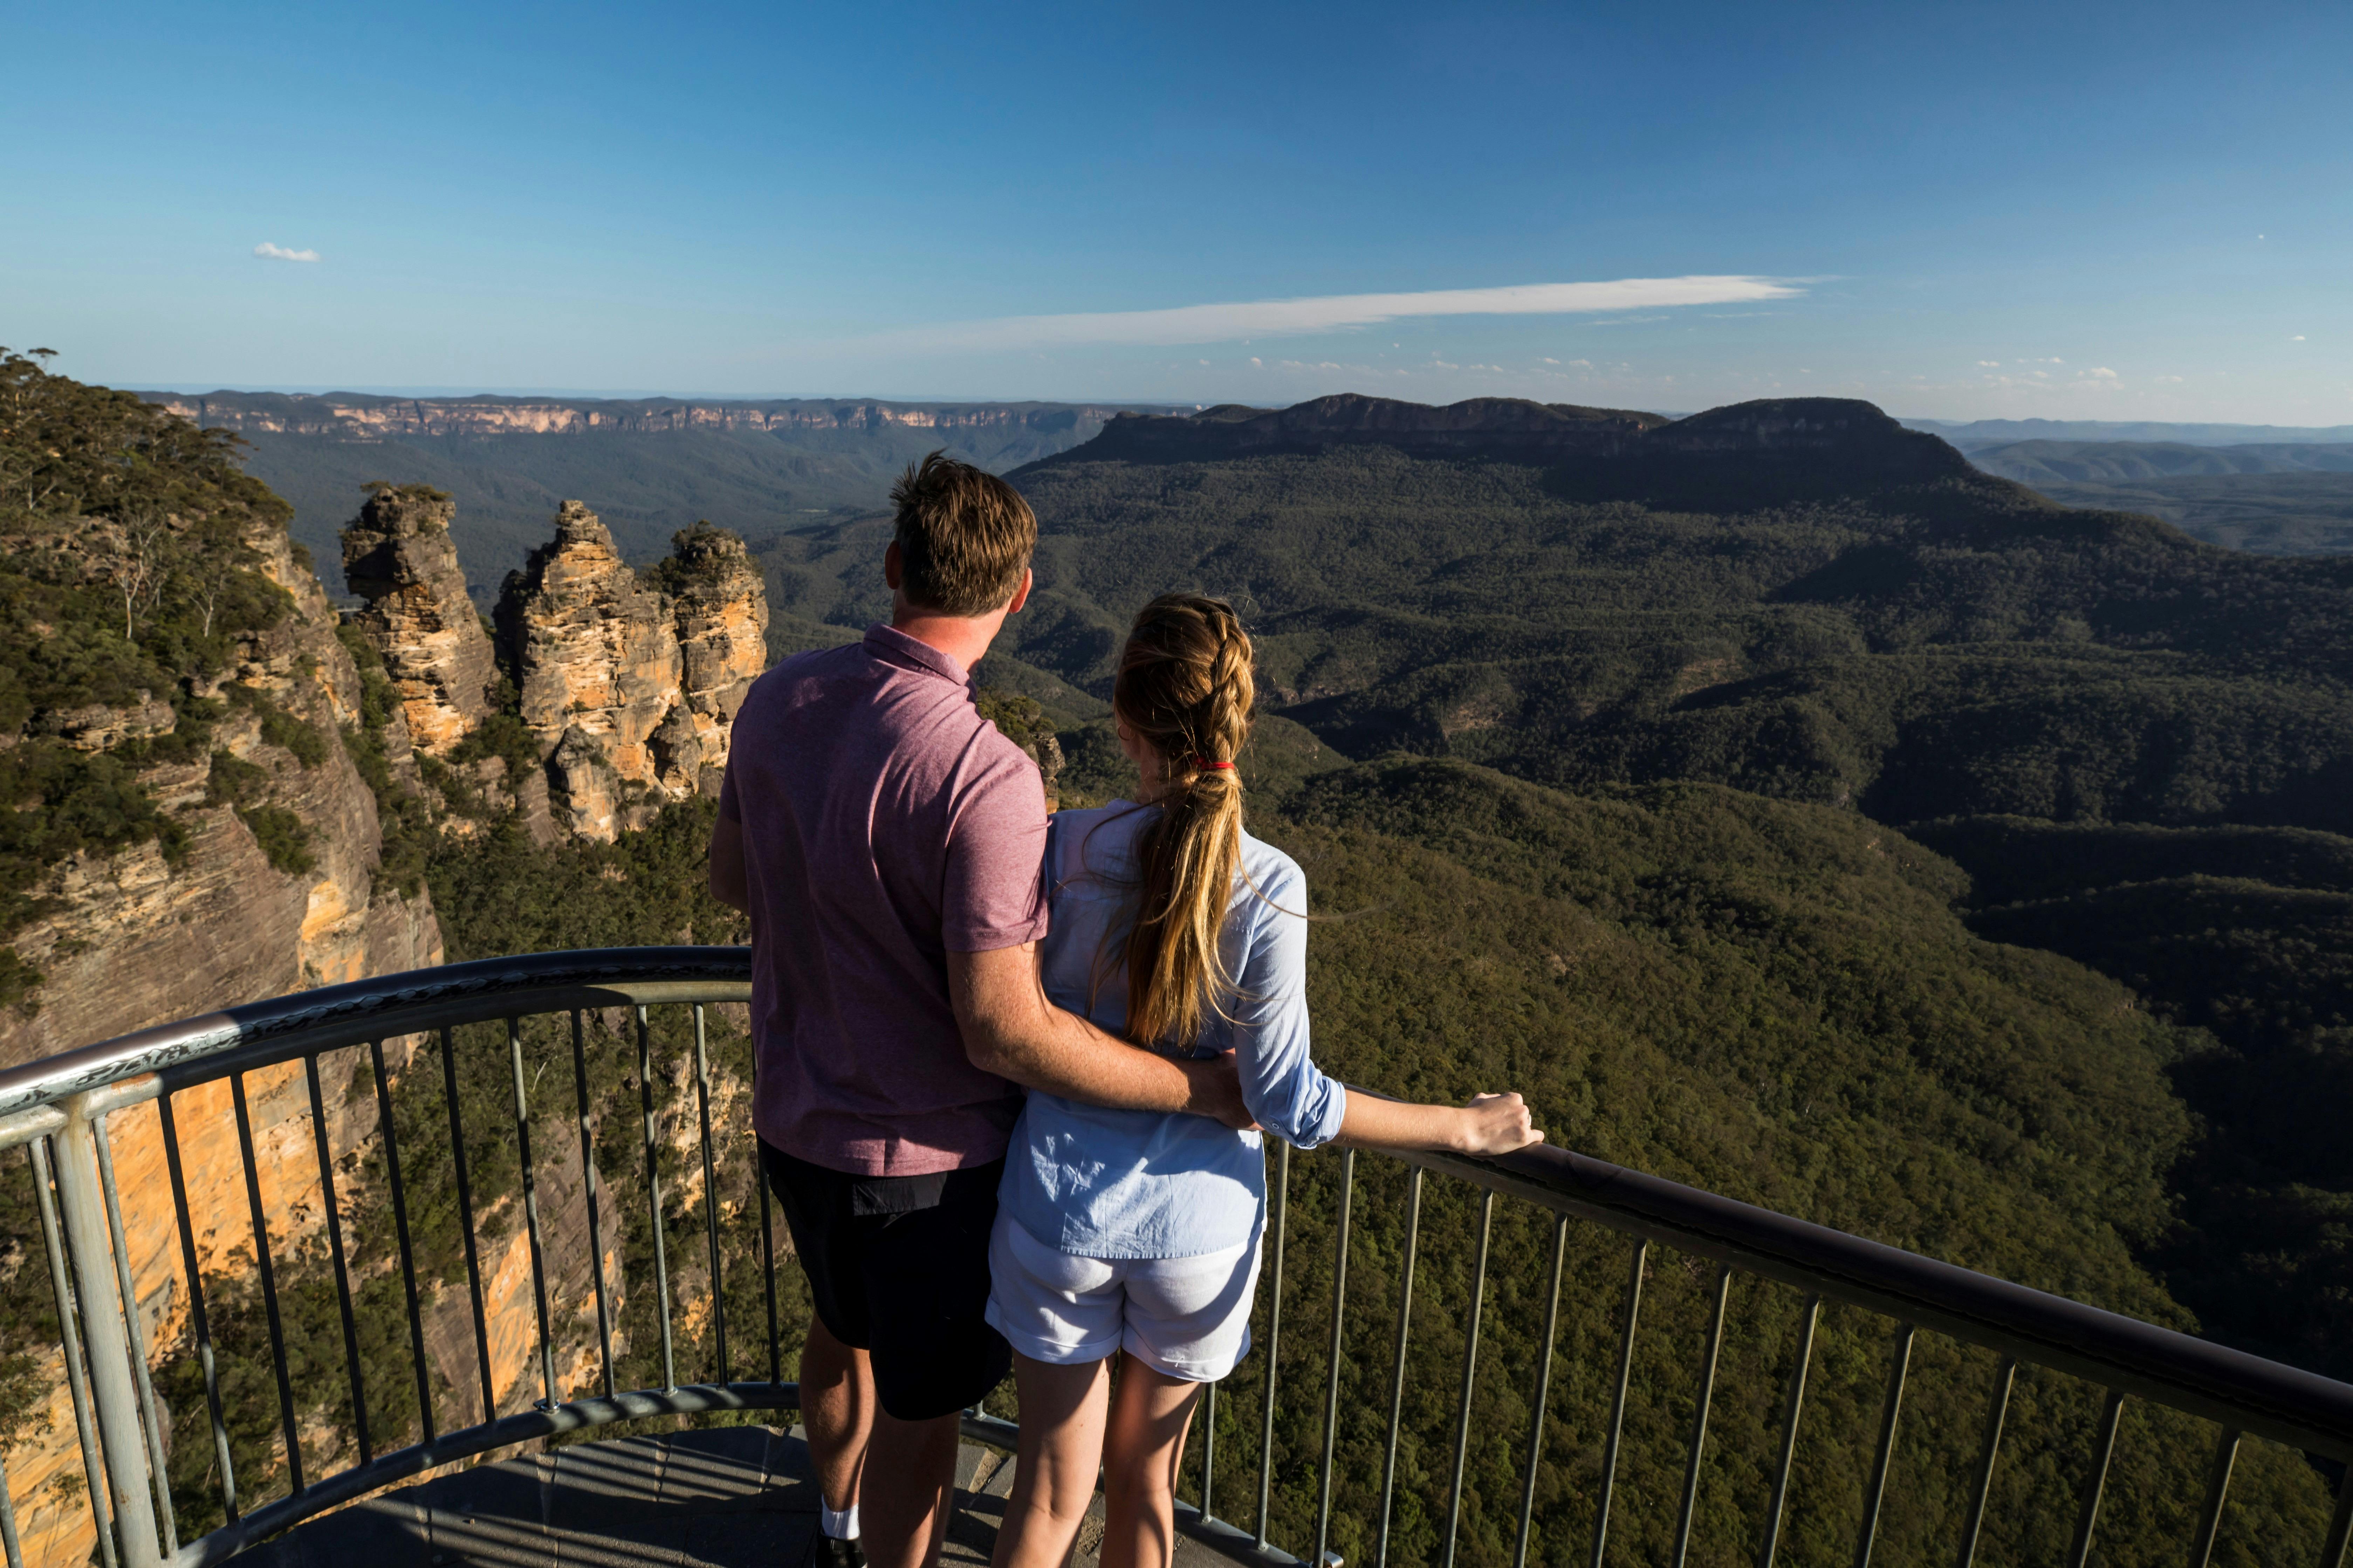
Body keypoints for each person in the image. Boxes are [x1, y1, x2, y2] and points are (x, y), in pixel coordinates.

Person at [707, 458, 1251, 1568]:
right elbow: (1003, 1028)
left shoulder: (776, 697)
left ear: (896, 564)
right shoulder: (983, 770)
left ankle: (831, 1522)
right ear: (1021, 596)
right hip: (924, 1169)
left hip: (791, 1117)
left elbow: (730, 879)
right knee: (921, 1412)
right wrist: (1200, 1090)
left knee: (837, 1332)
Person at [986, 593, 1542, 1568]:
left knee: (1045, 1489)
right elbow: (1287, 1099)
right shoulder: (1268, 884)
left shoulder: (1062, 845)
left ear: (1121, 719)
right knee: (1145, 1492)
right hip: (1193, 1237)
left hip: (1056, 1213)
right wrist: (1460, 1126)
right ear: (1239, 721)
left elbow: (1024, 1021)